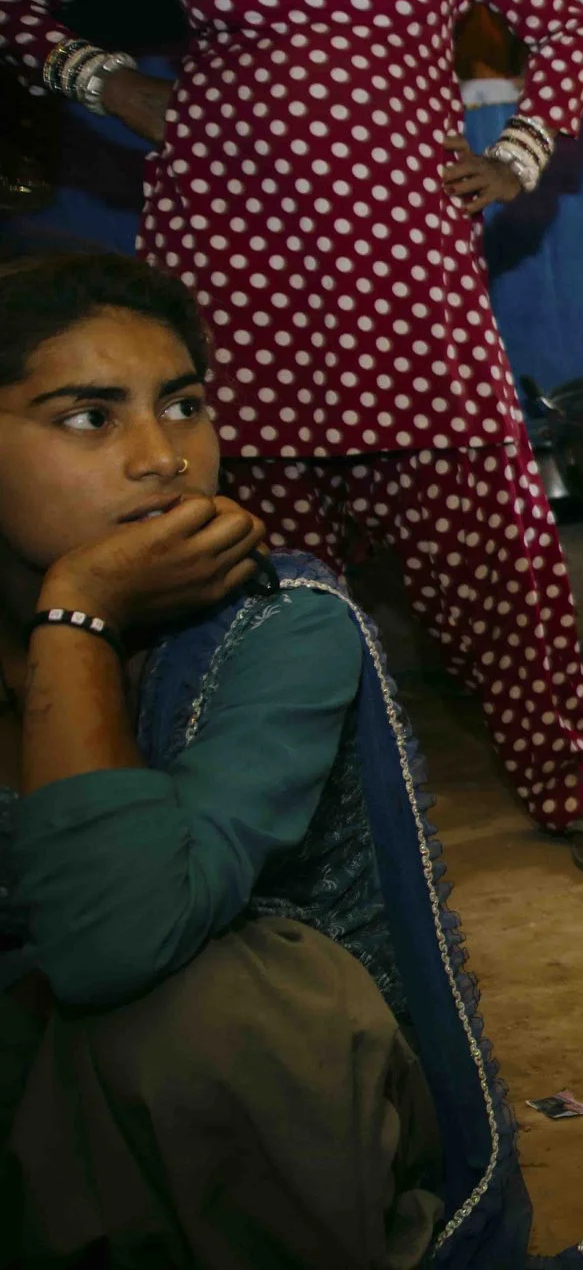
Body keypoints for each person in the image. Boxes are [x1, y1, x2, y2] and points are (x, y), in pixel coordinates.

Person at [0, 0, 583, 877]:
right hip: (232, 292)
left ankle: (569, 786)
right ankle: (278, 824)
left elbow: (561, 34)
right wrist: (107, 81)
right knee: (253, 579)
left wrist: (515, 158)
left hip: (408, 286)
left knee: (498, 559)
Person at [0, 252, 526, 1268]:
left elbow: (117, 942)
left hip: (261, 1119)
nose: (162, 458)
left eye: (185, 406)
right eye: (88, 418)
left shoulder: (277, 625)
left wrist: (79, 621)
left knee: (214, 1009)